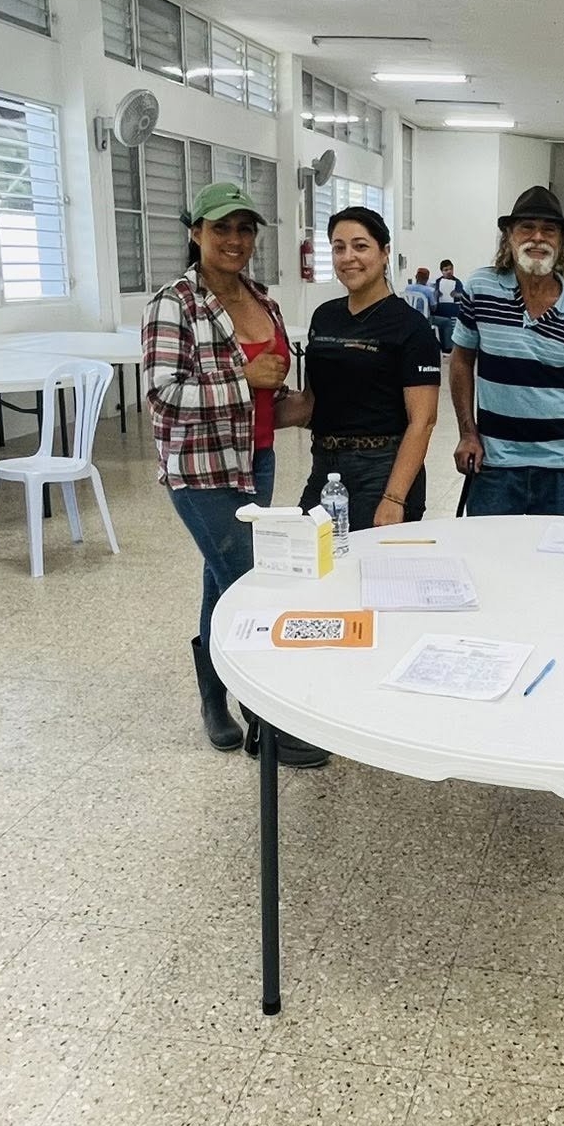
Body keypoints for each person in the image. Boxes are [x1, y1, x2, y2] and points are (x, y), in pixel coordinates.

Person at [142, 182, 328, 767]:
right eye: (221, 228)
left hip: (257, 458)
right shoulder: (174, 302)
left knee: (220, 577)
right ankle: (263, 719)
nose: (234, 240)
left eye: (245, 229)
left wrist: (303, 404)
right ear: (195, 233)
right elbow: (163, 394)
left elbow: (272, 389)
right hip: (200, 468)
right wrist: (246, 381)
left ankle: (211, 697)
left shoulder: (262, 298)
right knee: (247, 582)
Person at [451, 185, 564, 515]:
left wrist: (558, 394)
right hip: (495, 464)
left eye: (548, 230)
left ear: (561, 243)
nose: (537, 237)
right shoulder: (480, 290)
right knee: (488, 561)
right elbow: (461, 360)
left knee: (563, 566)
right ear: (509, 236)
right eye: (527, 227)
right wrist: (468, 433)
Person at [281, 206, 441, 525]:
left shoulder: (411, 326)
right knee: (313, 560)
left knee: (371, 570)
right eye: (339, 248)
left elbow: (422, 421)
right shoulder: (325, 316)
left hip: (382, 469)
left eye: (360, 246)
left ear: (384, 253)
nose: (348, 256)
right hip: (325, 467)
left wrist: (394, 498)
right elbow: (311, 404)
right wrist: (242, 417)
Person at [432, 258, 466, 354]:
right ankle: (442, 346)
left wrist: (456, 295)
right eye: (446, 270)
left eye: (450, 269)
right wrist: (436, 293)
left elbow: (463, 295)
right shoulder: (438, 282)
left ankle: (449, 347)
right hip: (440, 309)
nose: (449, 272)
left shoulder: (457, 282)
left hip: (452, 310)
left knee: (451, 326)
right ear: (442, 272)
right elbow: (434, 294)